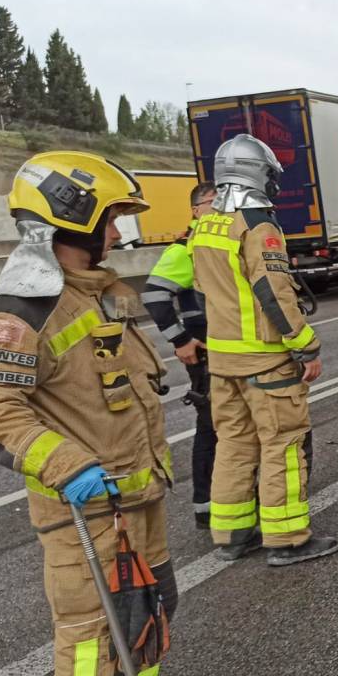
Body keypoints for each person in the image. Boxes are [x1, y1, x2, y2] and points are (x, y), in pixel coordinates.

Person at [0, 151, 205, 676]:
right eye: (110, 219)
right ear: (71, 220)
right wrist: (67, 464)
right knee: (95, 630)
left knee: (149, 605)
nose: (119, 233)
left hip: (133, 493)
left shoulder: (96, 291)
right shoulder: (25, 305)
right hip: (86, 505)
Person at [183, 133, 337, 567]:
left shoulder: (204, 225)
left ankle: (232, 534)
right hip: (265, 362)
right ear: (257, 173)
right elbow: (273, 294)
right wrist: (306, 346)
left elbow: (200, 288)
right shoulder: (257, 224)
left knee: (233, 444)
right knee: (282, 445)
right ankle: (287, 539)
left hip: (223, 361)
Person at [143, 181, 217, 528]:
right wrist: (181, 339)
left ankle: (235, 497)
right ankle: (207, 504)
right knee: (211, 427)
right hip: (205, 348)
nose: (218, 209)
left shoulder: (219, 242)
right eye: (211, 203)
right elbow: (154, 296)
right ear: (195, 210)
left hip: (227, 347)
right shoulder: (186, 248)